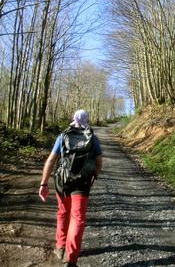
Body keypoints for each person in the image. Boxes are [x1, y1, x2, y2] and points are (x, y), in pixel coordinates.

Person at [39, 109, 102, 267]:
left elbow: (51, 160)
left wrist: (44, 183)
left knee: (63, 212)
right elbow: (99, 162)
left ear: (73, 119)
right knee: (78, 218)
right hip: (82, 183)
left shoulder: (63, 136)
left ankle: (60, 247)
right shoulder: (92, 138)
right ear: (87, 120)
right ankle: (71, 259)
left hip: (63, 182)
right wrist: (95, 175)